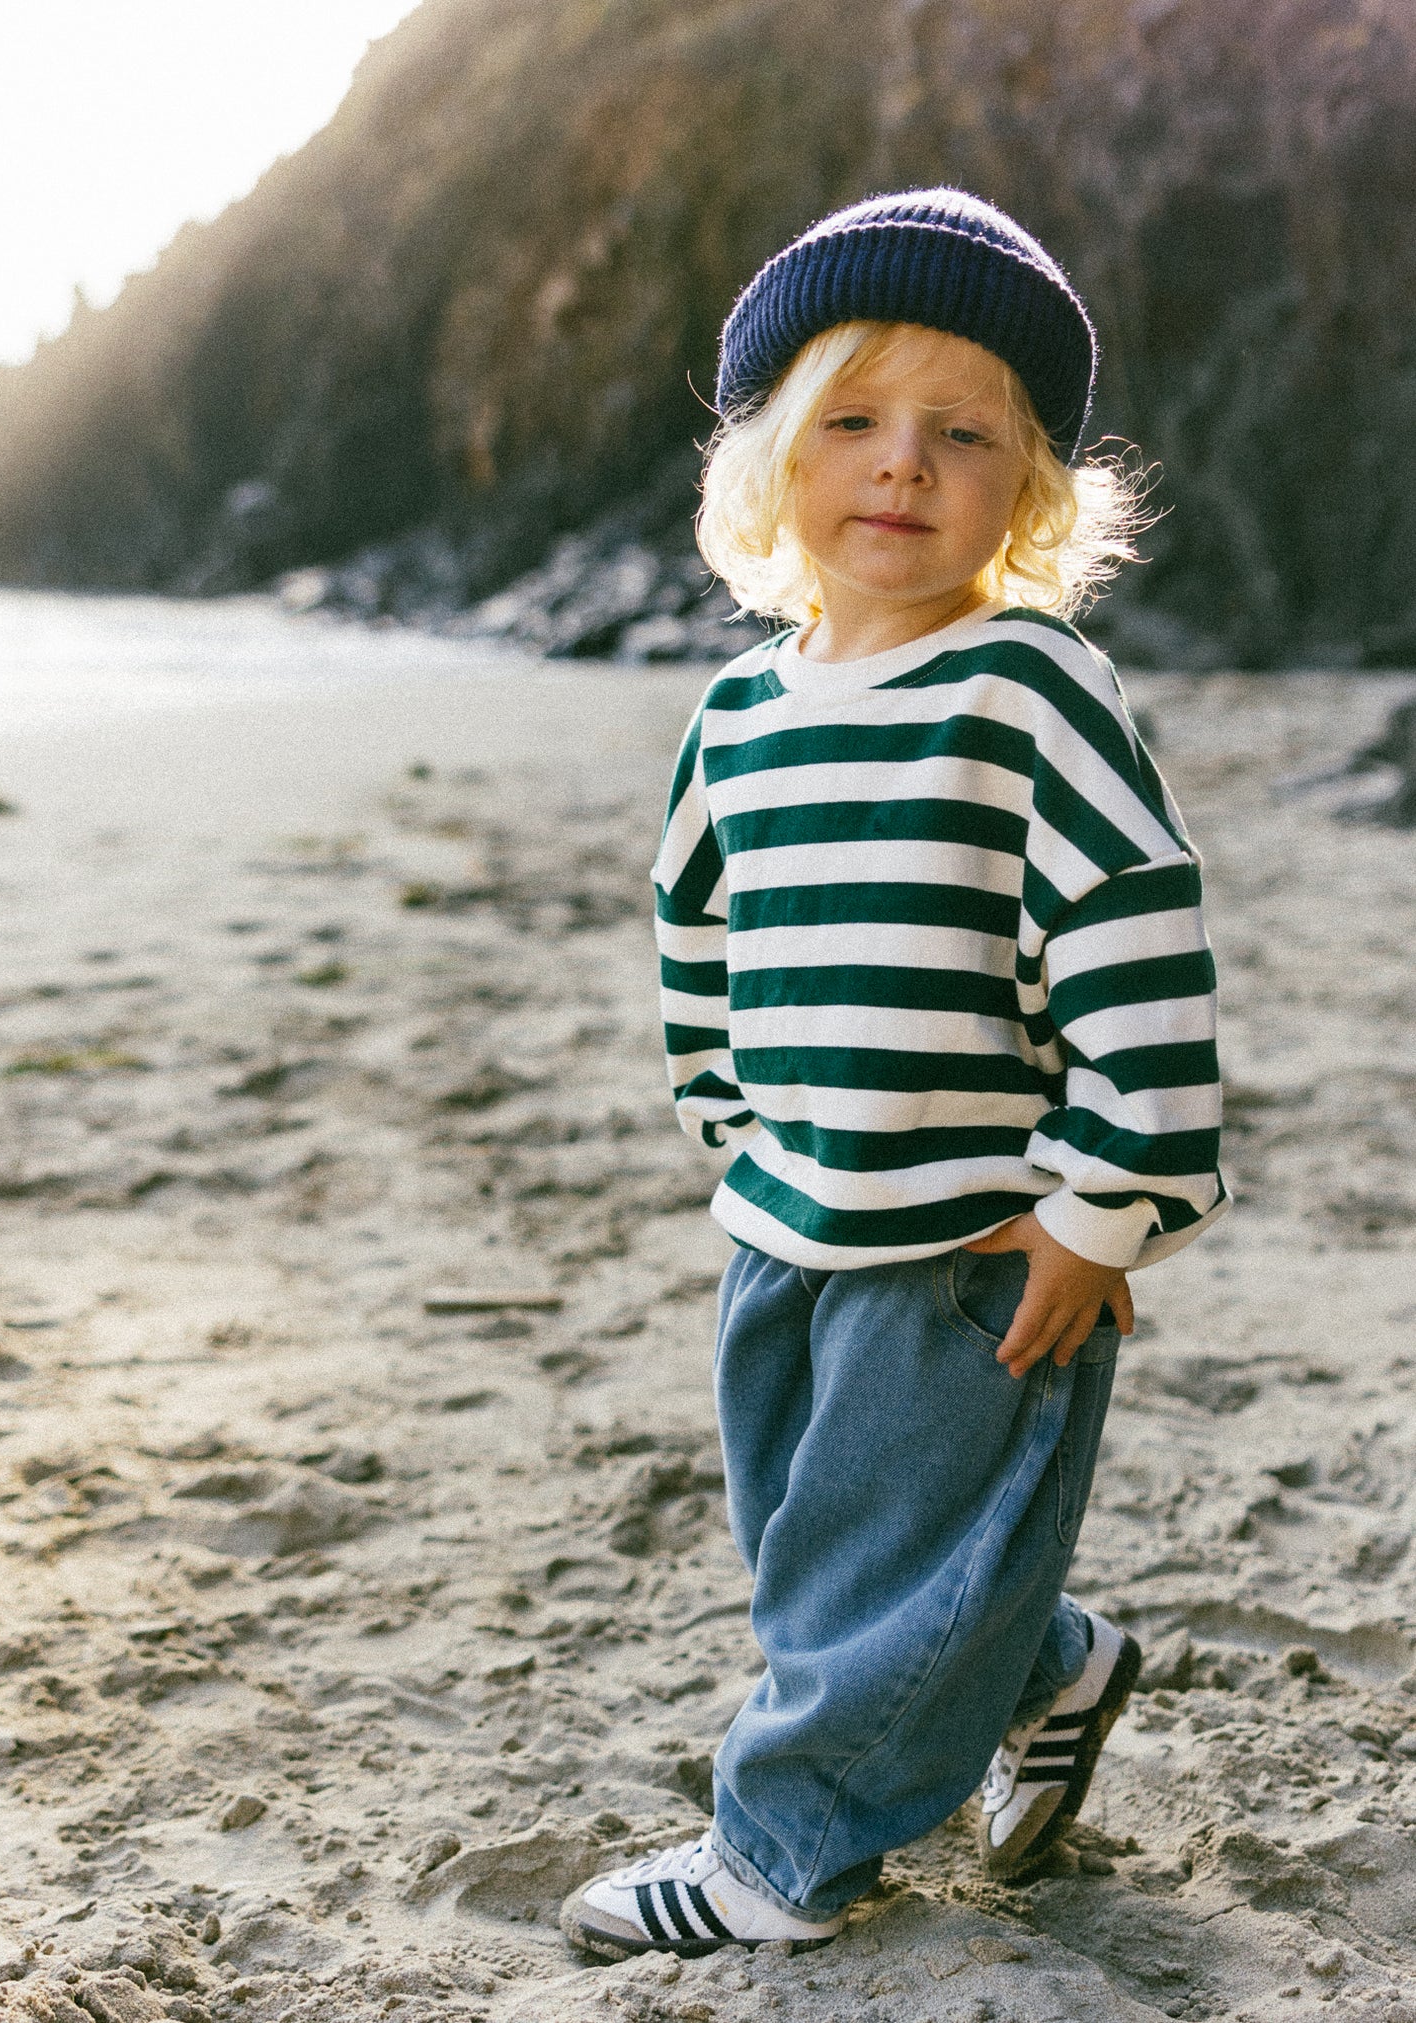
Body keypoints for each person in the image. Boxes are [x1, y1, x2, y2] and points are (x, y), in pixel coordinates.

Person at [561, 188, 1226, 1961]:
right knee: (813, 1541)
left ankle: (780, 1857)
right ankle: (1048, 1662)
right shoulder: (738, 716)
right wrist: (727, 1117)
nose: (900, 467)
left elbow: (1135, 952)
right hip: (784, 1217)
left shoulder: (1028, 691)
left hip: (968, 1246)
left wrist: (1105, 1210)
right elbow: (696, 934)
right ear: (770, 460)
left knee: (862, 1572)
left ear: (1028, 490)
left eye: (961, 434)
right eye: (850, 420)